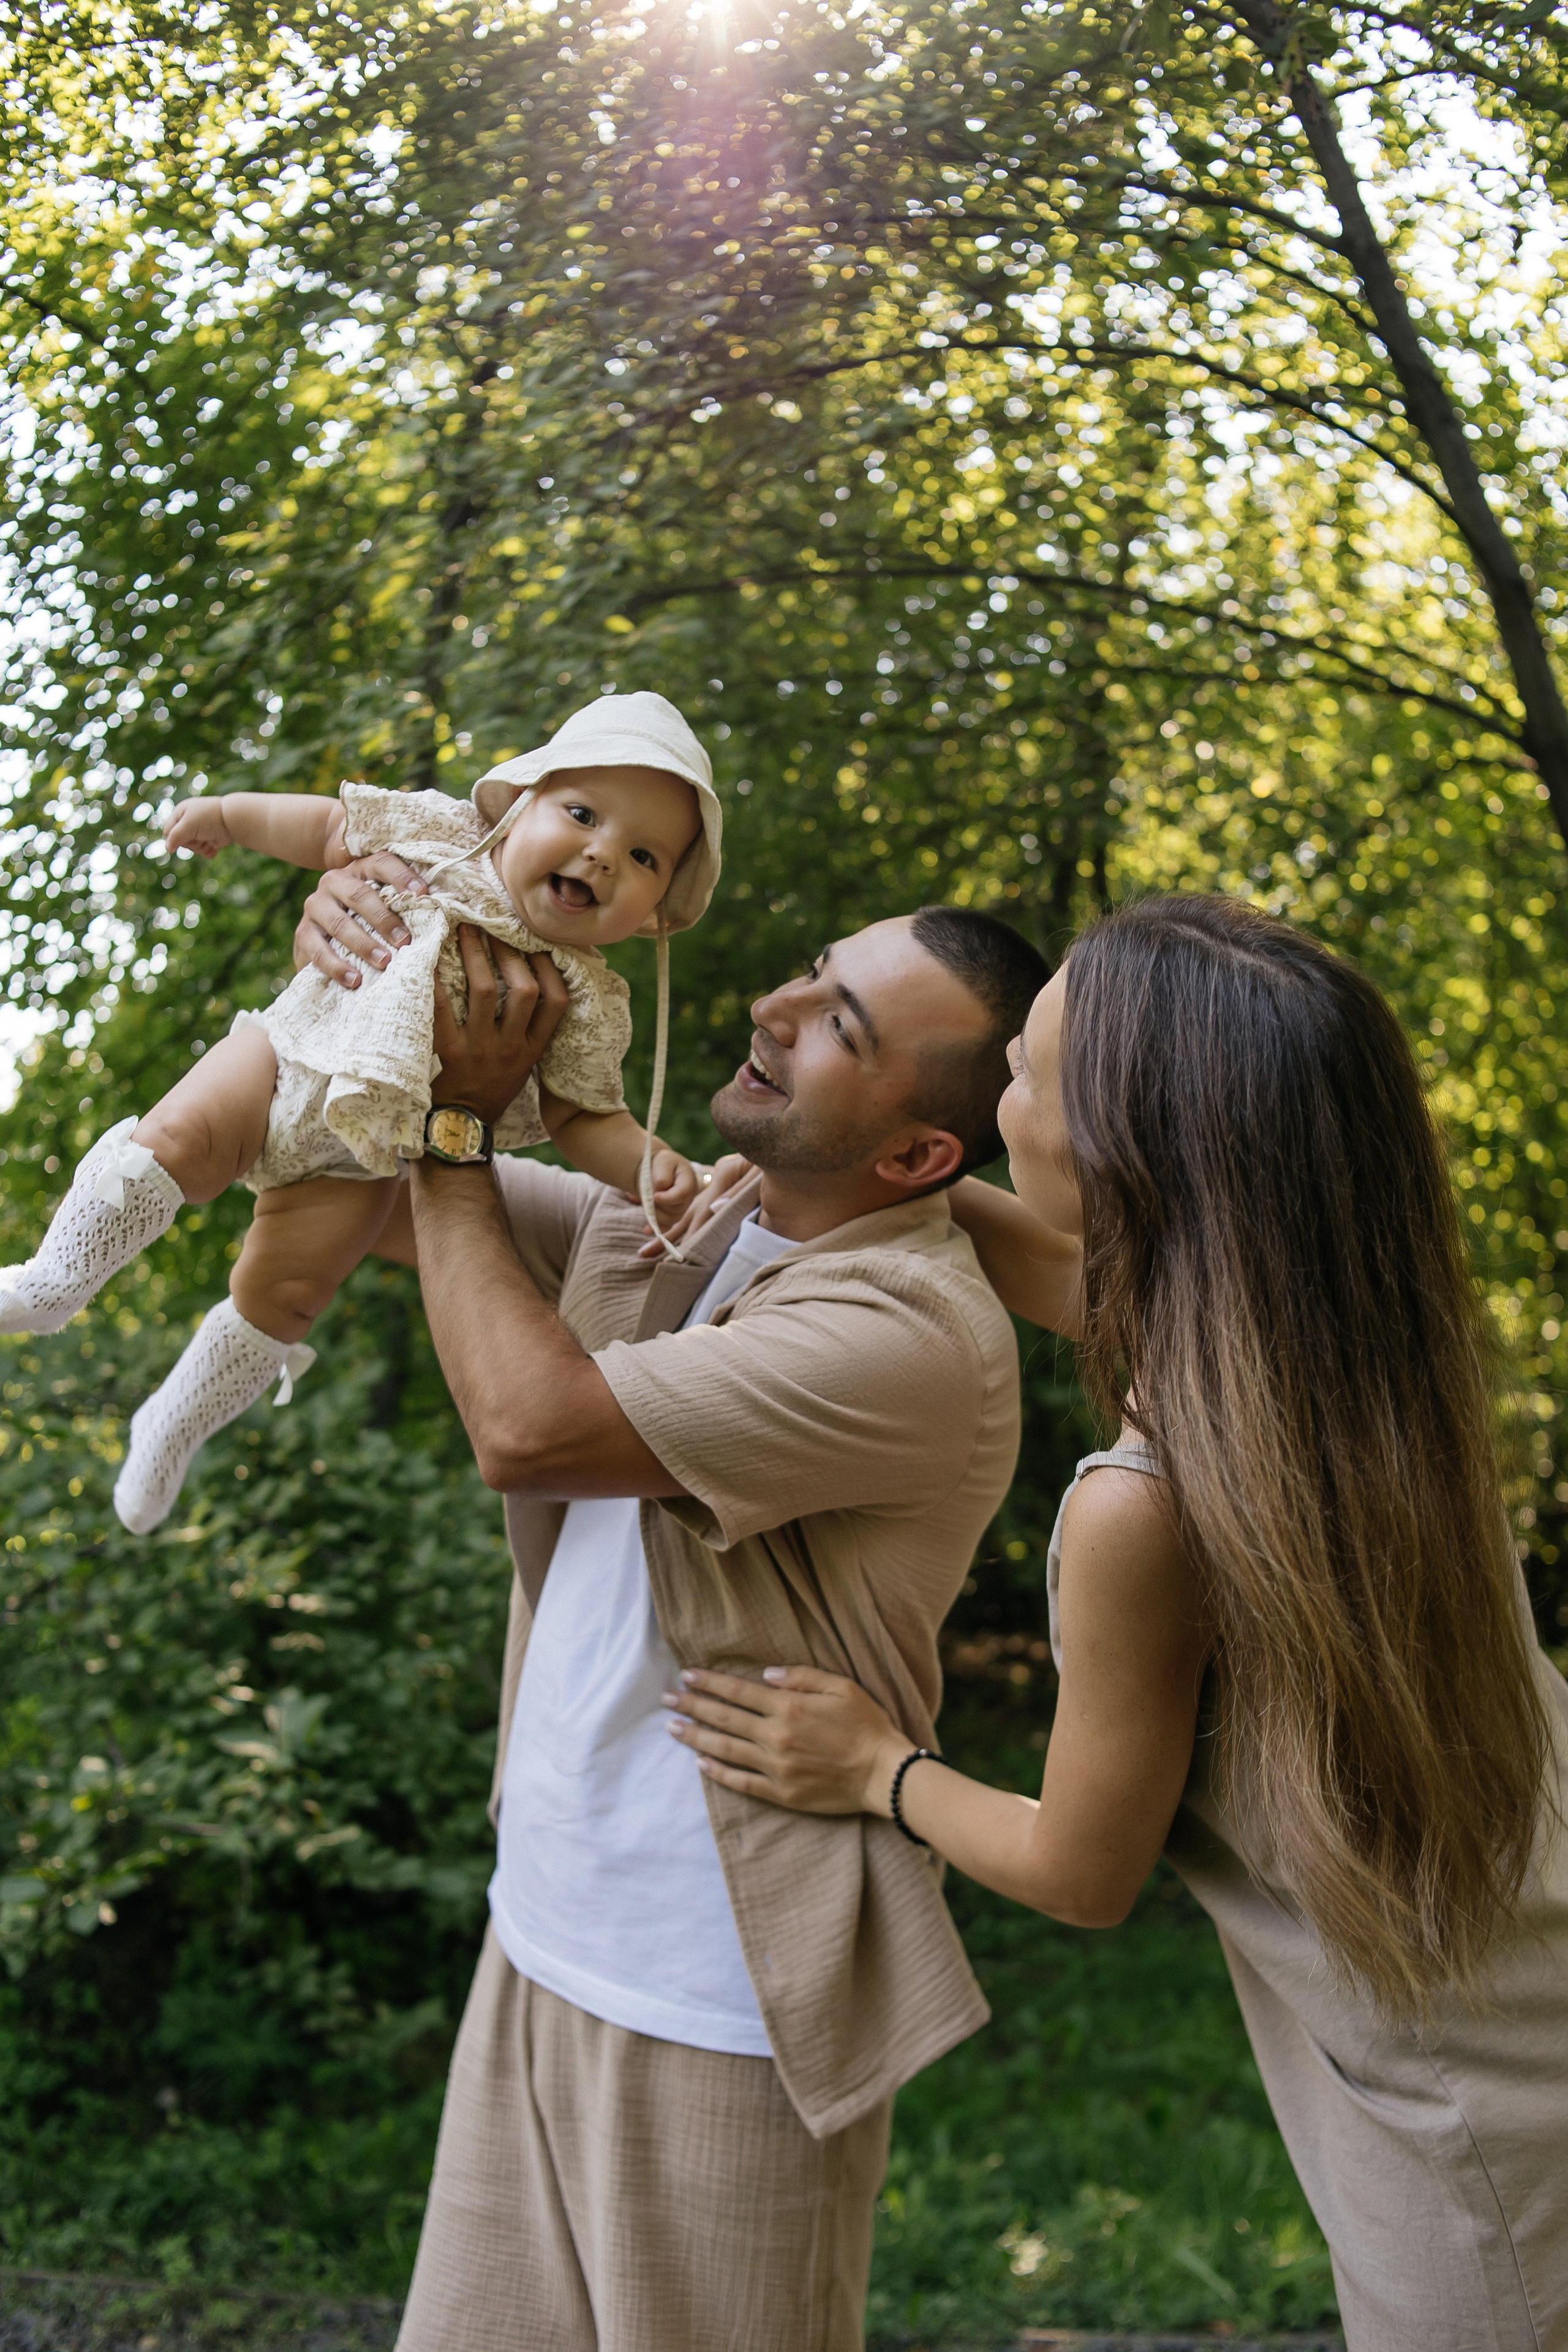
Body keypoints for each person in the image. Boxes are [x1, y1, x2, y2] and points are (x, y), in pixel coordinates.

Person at [669, 894, 1568, 2352]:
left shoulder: (1145, 1506)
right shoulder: (1352, 1336)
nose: (996, 1097)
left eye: (1017, 1075)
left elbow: (1084, 1872)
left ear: (1121, 1162)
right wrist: (836, 1147)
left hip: (1463, 2101)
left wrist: (874, 1771)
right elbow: (1039, 1254)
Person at [292, 856, 1050, 2352]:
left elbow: (527, 1422)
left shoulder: (907, 1330)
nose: (771, 1006)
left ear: (912, 1157)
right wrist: (369, 963)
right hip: (538, 1933)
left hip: (719, 2006)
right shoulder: (690, 1221)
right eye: (812, 968)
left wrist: (453, 1125)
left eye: (836, 1023)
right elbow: (335, 1178)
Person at [0, 692, 721, 1534]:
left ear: (658, 904)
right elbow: (324, 830)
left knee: (286, 1293)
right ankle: (56, 1279)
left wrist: (650, 1165)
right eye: (583, 814)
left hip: (366, 1152)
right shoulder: (440, 836)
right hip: (287, 1059)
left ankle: (174, 1421)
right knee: (179, 1139)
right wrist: (229, 815)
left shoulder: (585, 999)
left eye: (642, 855)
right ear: (519, 804)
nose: (602, 855)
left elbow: (583, 1117)